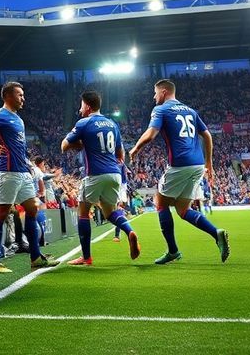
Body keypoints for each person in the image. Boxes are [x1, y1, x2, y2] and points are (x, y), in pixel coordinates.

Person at [128, 79, 229, 264]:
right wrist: (209, 162)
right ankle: (216, 233)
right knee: (183, 210)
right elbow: (206, 134)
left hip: (180, 164)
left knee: (159, 202)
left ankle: (173, 251)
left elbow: (150, 134)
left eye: (155, 92)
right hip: (198, 165)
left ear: (164, 92)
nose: (154, 96)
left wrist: (135, 149)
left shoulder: (161, 109)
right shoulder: (191, 111)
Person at [0, 81, 55, 273]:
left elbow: (20, 147)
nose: (23, 98)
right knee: (1, 213)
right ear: (7, 96)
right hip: (7, 171)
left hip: (23, 171)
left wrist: (28, 164)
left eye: (23, 95)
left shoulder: (18, 119)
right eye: (19, 94)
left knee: (32, 209)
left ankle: (35, 257)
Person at [61, 91, 140, 265]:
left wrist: (81, 144)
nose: (80, 108)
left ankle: (86, 257)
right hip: (114, 174)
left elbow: (64, 146)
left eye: (81, 105)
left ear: (88, 106)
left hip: (95, 173)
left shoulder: (84, 122)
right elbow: (121, 154)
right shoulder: (112, 124)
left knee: (83, 212)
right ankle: (129, 231)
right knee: (110, 212)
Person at [114, 161, 129, 243]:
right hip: (121, 186)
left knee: (120, 213)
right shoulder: (121, 164)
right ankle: (118, 234)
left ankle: (117, 234)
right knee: (120, 213)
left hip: (120, 186)